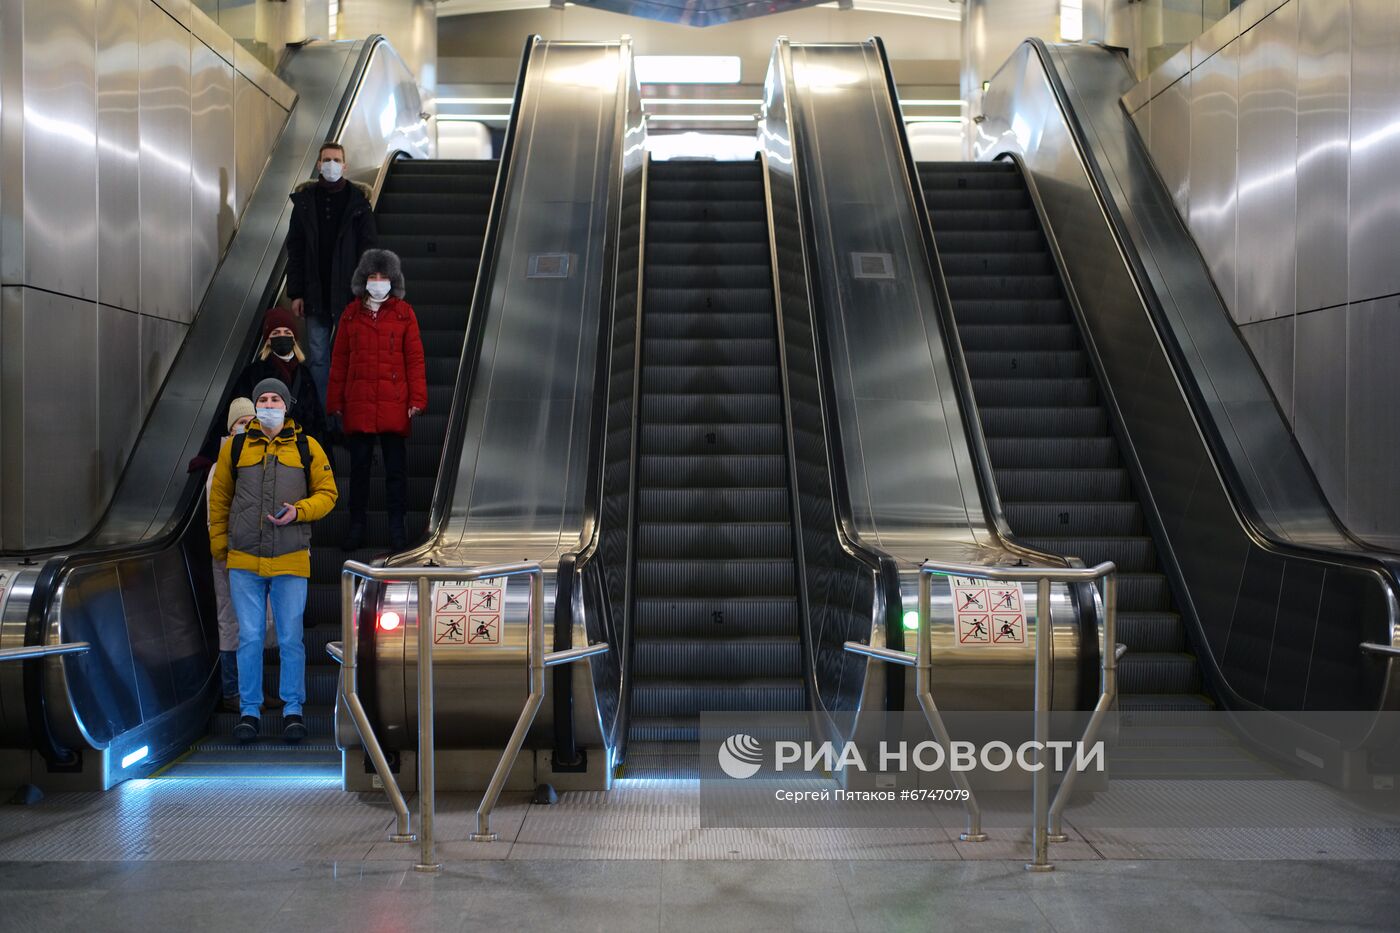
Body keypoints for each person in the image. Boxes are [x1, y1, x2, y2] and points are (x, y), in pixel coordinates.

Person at [208, 378, 338, 743]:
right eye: (262, 398)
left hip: (291, 558)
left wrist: (298, 512)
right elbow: (219, 500)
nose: (268, 403)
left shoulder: (306, 446)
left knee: (290, 638)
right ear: (255, 406)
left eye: (274, 399)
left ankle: (292, 710)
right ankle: (249, 711)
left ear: (286, 405)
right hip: (244, 560)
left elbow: (329, 494)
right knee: (248, 637)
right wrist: (221, 547)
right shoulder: (234, 449)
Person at [326, 249, 427, 552]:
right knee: (358, 471)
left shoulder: (404, 313)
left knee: (395, 472)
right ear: (363, 280)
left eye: (384, 277)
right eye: (373, 276)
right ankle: (356, 527)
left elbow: (415, 358)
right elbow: (340, 360)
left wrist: (417, 398)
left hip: (394, 404)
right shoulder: (350, 314)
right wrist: (335, 401)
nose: (378, 282)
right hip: (359, 404)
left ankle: (398, 528)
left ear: (393, 280)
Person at [285, 142, 376, 403]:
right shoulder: (304, 202)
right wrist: (296, 293)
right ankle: (323, 420)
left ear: (345, 165)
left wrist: (366, 291)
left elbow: (369, 249)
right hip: (315, 293)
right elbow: (296, 249)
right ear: (318, 164)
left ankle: (347, 416)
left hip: (350, 294)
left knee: (351, 357)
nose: (331, 165)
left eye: (336, 160)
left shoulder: (358, 202)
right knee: (318, 358)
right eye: (327, 160)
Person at [207, 397, 255, 713]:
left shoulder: (257, 459)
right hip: (228, 555)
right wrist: (222, 548)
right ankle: (231, 692)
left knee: (255, 626)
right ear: (231, 427)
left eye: (252, 423)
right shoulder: (221, 464)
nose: (247, 428)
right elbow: (215, 512)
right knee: (231, 623)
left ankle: (253, 693)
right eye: (242, 423)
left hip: (255, 555)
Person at [233, 307, 328, 445]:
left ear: (294, 338)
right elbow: (236, 414)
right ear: (268, 340)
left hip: (299, 450)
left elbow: (318, 422)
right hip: (262, 447)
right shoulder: (253, 373)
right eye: (276, 332)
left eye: (287, 332)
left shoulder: (304, 374)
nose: (282, 336)